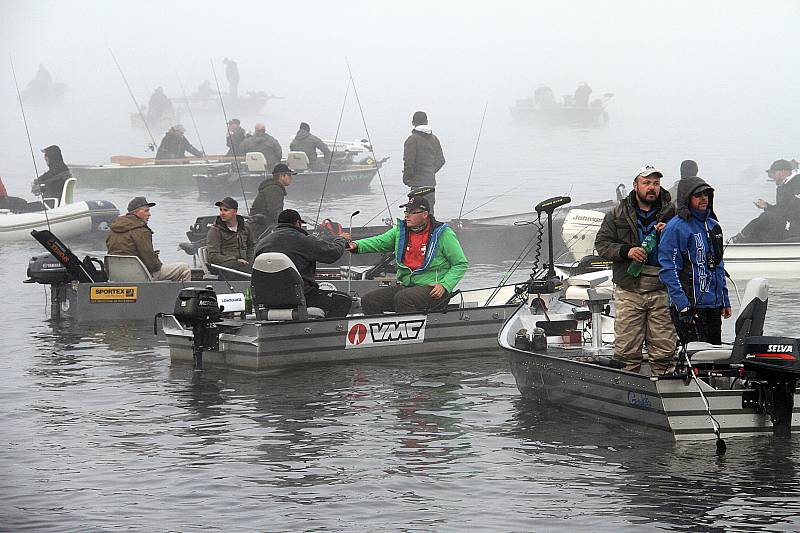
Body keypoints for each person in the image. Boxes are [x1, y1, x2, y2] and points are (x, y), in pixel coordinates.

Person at [594, 164, 677, 375]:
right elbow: (602, 245)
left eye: (656, 183)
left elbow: (688, 243)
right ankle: (626, 392)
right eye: (647, 183)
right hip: (629, 289)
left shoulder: (673, 213)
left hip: (663, 287)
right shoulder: (617, 213)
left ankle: (667, 392)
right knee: (626, 351)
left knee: (665, 351)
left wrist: (671, 232)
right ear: (635, 185)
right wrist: (626, 251)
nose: (652, 187)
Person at [347, 196, 468, 315]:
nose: (406, 215)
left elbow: (460, 264)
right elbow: (379, 242)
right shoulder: (401, 231)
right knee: (369, 300)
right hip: (409, 287)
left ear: (425, 214)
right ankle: (381, 334)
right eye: (406, 211)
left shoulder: (443, 233)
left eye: (412, 212)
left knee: (404, 298)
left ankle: (410, 333)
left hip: (434, 290)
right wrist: (356, 245)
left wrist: (445, 285)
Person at [659, 176, 731, 345]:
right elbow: (668, 269)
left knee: (715, 359)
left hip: (713, 305)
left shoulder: (714, 226)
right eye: (698, 194)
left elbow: (719, 266)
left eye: (706, 194)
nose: (704, 198)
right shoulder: (675, 227)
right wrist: (682, 304)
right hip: (689, 306)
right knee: (697, 358)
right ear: (687, 197)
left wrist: (724, 300)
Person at [254, 209, 351, 318]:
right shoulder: (303, 240)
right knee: (344, 300)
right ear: (298, 223)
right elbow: (333, 254)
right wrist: (341, 239)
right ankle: (322, 332)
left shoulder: (261, 243)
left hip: (268, 299)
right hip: (301, 297)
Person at [106, 197, 191, 281]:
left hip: (117, 275)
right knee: (184, 268)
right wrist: (154, 257)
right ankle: (184, 294)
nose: (149, 214)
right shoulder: (141, 230)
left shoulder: (113, 230)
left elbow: (122, 251)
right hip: (140, 275)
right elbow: (153, 265)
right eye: (146, 211)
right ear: (136, 212)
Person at [730, 159, 800, 243]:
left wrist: (768, 207)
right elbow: (782, 209)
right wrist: (766, 206)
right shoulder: (782, 187)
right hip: (787, 223)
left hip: (795, 226)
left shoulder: (797, 183)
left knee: (766, 217)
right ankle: (742, 243)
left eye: (772, 174)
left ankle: (738, 239)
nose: (772, 177)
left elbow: (792, 211)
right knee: (761, 225)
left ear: (780, 173)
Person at [402, 111, 445, 215]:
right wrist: (430, 171)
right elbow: (441, 160)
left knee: (415, 214)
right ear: (426, 122)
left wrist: (407, 178)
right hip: (430, 183)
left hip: (417, 185)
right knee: (429, 213)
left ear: (413, 123)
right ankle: (432, 231)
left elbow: (409, 162)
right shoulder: (434, 139)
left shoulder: (412, 139)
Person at [206, 196, 255, 273]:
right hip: (224, 266)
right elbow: (213, 256)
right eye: (221, 210)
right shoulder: (215, 230)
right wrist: (235, 260)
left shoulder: (245, 227)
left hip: (244, 264)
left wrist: (249, 261)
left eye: (226, 210)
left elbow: (251, 246)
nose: (222, 213)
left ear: (235, 212)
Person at [250, 163, 296, 236]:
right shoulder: (274, 189)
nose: (291, 178)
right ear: (281, 176)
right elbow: (275, 212)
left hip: (260, 227)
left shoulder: (273, 187)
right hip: (261, 229)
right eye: (289, 175)